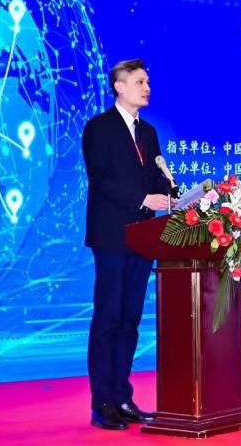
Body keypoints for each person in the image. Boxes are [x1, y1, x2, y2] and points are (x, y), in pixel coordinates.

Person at [82, 58, 174, 430]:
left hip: (142, 237)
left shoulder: (148, 132)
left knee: (130, 319)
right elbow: (101, 179)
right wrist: (143, 199)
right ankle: (102, 402)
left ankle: (122, 396)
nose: (146, 87)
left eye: (147, 81)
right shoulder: (99, 127)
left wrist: (172, 194)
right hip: (111, 235)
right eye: (139, 82)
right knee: (108, 317)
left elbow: (156, 177)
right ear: (119, 86)